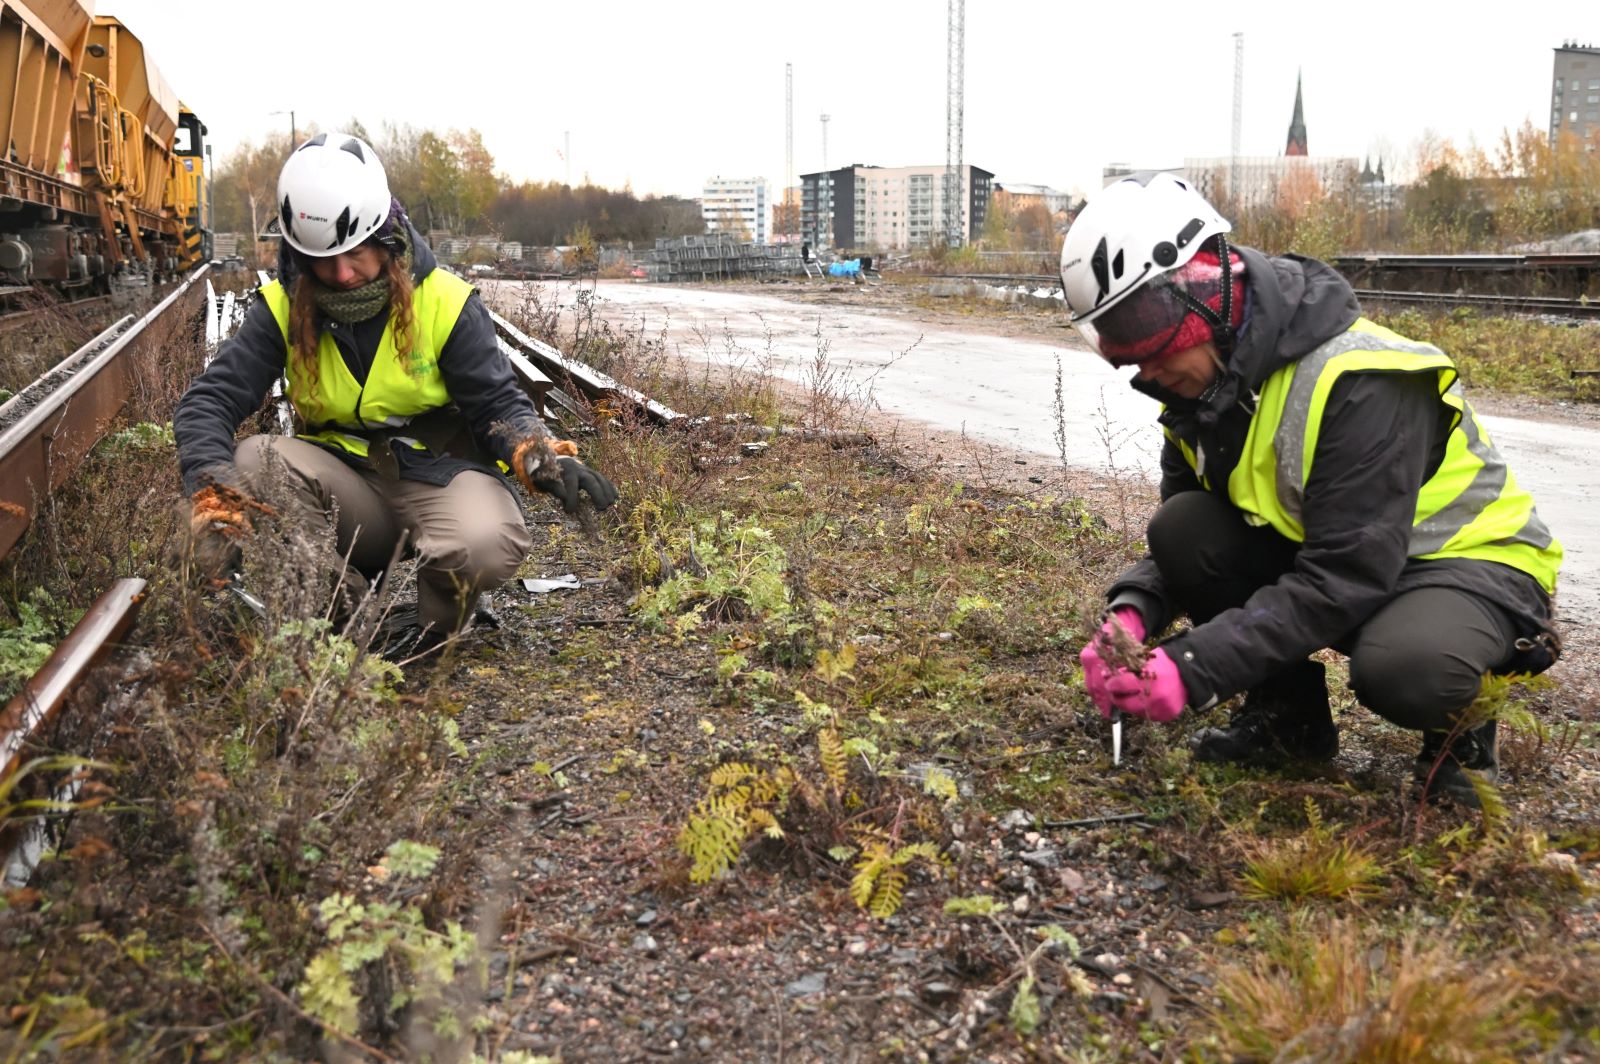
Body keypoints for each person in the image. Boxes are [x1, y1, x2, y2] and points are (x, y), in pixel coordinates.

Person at [1065, 172, 1562, 806]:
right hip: (1351, 560)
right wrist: (1133, 611)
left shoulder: (1361, 378)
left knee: (1405, 668)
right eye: (1120, 343)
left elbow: (1344, 576)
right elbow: (1192, 541)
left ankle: (1461, 741)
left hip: (1472, 570)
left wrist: (1193, 669)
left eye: (1147, 329)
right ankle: (1288, 723)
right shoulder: (1200, 388)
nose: (1145, 364)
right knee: (1184, 528)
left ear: (1206, 288)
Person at [175, 132, 616, 654]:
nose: (340, 274)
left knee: (486, 543)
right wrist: (214, 494)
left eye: (355, 253)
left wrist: (539, 456)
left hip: (438, 476)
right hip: (347, 489)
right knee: (254, 460)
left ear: (385, 236)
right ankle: (341, 620)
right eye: (322, 260)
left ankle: (432, 626)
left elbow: (497, 404)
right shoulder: (280, 308)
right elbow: (208, 403)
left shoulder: (445, 301)